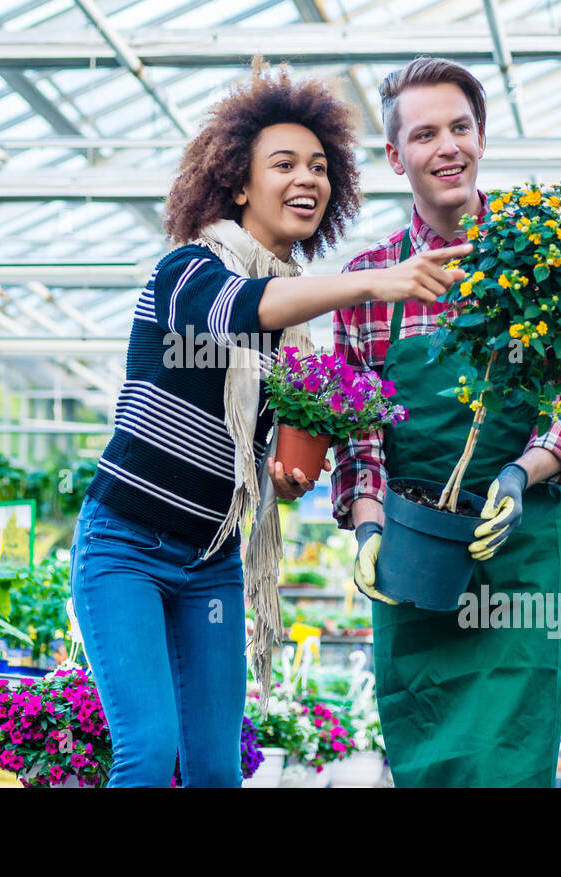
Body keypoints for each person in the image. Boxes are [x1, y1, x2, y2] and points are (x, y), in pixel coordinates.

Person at [71, 68, 470, 787]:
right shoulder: (186, 273)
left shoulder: (294, 336)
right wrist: (375, 279)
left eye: (319, 166)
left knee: (219, 771)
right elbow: (240, 307)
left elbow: (267, 438)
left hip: (214, 560)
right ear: (238, 185)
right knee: (148, 752)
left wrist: (285, 477)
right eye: (283, 164)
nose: (306, 179)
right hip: (125, 546)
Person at [331, 57, 561, 787]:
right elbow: (359, 439)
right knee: (430, 763)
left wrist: (520, 473)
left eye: (461, 126)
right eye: (425, 133)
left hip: (520, 570)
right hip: (420, 567)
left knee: (508, 764)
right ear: (396, 156)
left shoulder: (547, 262)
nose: (447, 145)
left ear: (481, 137)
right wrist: (367, 526)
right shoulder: (368, 284)